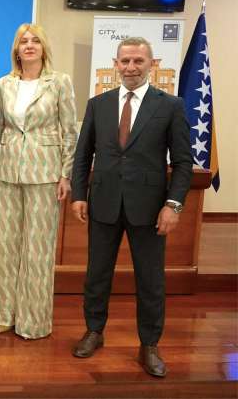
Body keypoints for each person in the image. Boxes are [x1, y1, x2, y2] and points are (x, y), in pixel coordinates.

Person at [70, 37, 193, 377]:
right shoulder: (98, 104)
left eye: (138, 61)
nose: (131, 67)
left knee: (150, 280)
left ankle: (149, 344)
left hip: (150, 209)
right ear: (116, 64)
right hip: (103, 203)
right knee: (97, 274)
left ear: (151, 64)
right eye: (125, 61)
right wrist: (79, 194)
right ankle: (94, 331)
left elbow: (183, 162)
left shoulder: (170, 106)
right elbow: (83, 155)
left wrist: (173, 205)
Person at [0, 23, 77, 339]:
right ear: (16, 50)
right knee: (2, 244)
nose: (30, 45)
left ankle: (32, 320)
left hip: (45, 174)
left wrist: (65, 174)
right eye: (24, 41)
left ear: (43, 47)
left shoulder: (59, 82)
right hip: (6, 173)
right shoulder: (4, 83)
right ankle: (1, 312)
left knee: (37, 249)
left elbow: (70, 131)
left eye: (36, 40)